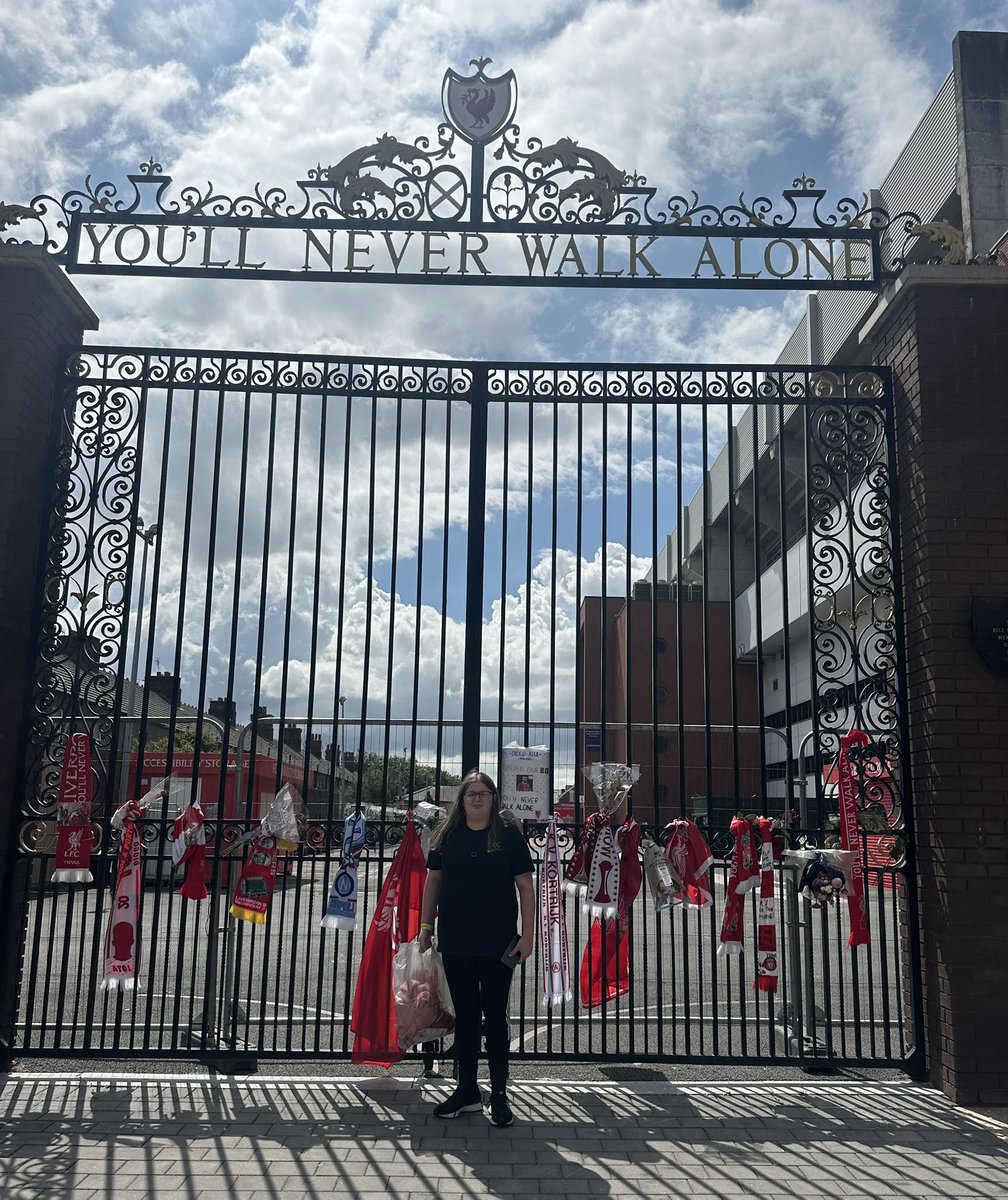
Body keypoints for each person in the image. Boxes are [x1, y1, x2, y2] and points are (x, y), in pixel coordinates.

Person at [418, 769, 534, 1128]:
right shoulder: (447, 835)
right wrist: (425, 925)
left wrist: (527, 937)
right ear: (462, 799)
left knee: (495, 1019)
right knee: (466, 1018)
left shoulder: (509, 837)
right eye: (471, 793)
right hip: (456, 941)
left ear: (494, 798)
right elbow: (433, 879)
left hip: (498, 942)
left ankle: (498, 1094)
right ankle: (466, 1091)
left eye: (484, 793)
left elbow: (526, 888)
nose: (478, 798)